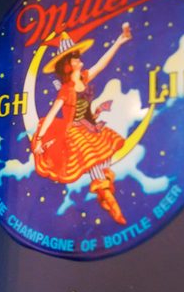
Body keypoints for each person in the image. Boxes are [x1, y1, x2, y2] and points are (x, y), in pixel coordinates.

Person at [31, 24, 133, 224]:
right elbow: (52, 114)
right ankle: (113, 207)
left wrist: (119, 41)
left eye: (78, 56)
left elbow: (102, 64)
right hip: (76, 133)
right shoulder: (66, 90)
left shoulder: (84, 78)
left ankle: (105, 197)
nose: (80, 60)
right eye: (75, 57)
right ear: (68, 64)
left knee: (103, 163)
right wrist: (40, 138)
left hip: (90, 127)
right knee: (94, 163)